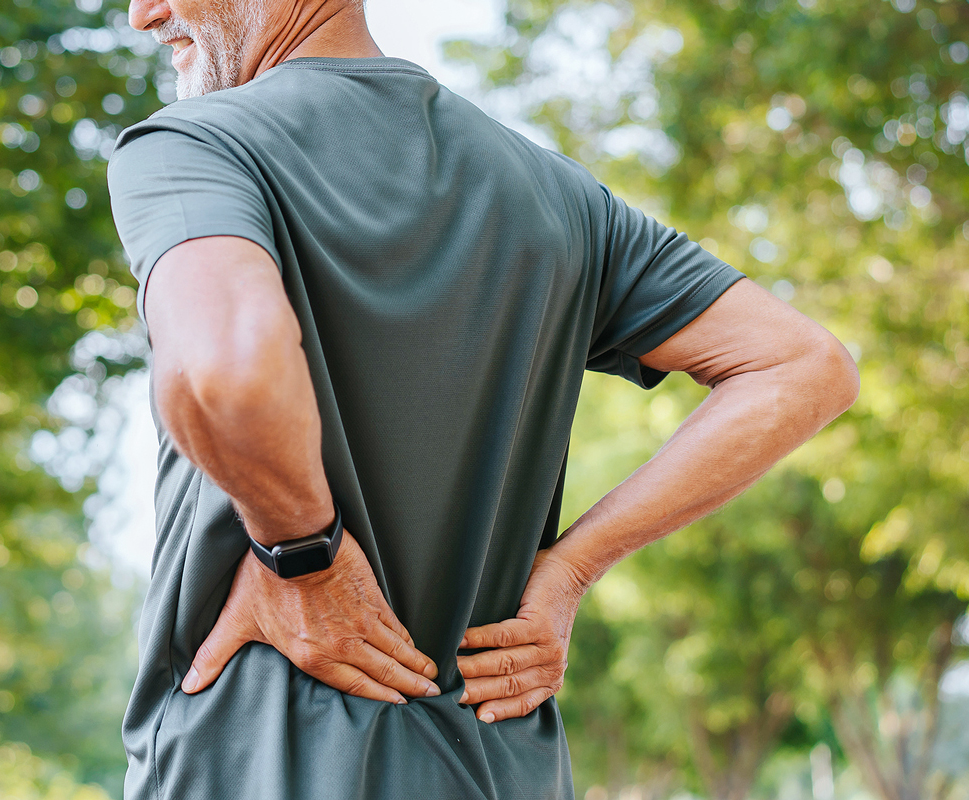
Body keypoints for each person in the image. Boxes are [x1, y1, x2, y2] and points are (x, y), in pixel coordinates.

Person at [106, 0, 860, 797]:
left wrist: (306, 558)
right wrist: (569, 569)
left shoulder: (194, 148)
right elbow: (805, 366)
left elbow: (221, 369)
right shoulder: (558, 198)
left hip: (262, 759)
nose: (142, 13)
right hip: (501, 768)